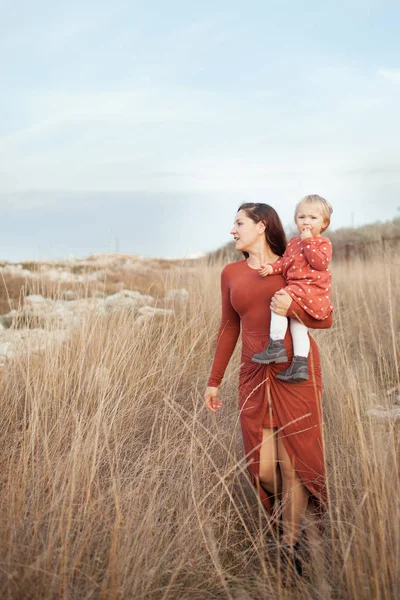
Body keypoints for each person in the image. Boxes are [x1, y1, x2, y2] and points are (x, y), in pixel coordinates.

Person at [203, 202, 332, 577]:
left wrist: (294, 306)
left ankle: (289, 549)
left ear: (261, 226)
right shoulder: (231, 273)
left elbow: (324, 316)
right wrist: (214, 381)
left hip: (296, 371)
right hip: (254, 372)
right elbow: (229, 328)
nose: (232, 230)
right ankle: (287, 525)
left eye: (239, 223)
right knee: (263, 469)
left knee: (293, 467)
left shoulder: (296, 262)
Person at [251, 195, 333, 383]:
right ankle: (300, 365)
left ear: (324, 223)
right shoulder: (294, 242)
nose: (306, 222)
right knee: (298, 326)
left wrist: (307, 241)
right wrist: (271, 268)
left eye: (313, 218)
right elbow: (286, 262)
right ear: (296, 220)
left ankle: (276, 344)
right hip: (299, 290)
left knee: (279, 298)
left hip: (310, 290)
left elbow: (320, 263)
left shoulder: (322, 243)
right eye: (301, 217)